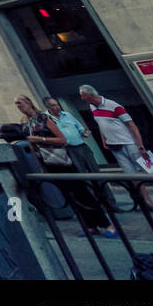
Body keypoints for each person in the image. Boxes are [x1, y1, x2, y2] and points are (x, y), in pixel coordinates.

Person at [32, 95, 116, 238]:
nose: (56, 107)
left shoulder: (67, 115)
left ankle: (110, 204)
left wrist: (85, 133)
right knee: (82, 183)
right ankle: (92, 220)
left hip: (81, 147)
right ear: (47, 107)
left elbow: (81, 129)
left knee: (97, 175)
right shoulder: (44, 119)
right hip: (68, 152)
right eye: (53, 105)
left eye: (57, 104)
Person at [79, 85, 151, 173]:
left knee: (148, 169)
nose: (82, 98)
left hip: (130, 144)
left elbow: (132, 126)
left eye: (83, 95)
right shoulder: (92, 107)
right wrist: (104, 139)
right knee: (130, 174)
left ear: (91, 95)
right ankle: (139, 187)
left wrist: (141, 146)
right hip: (114, 147)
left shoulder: (114, 106)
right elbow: (101, 123)